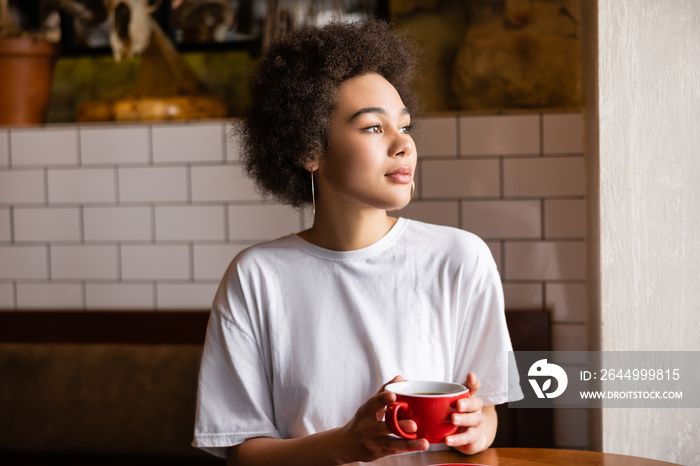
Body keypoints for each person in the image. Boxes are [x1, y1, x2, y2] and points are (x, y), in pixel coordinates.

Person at [192, 19, 522, 465]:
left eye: (404, 127)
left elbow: (487, 412)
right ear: (309, 149)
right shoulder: (256, 277)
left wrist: (475, 427)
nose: (403, 144)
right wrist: (348, 445)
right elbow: (243, 453)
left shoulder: (460, 258)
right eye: (372, 128)